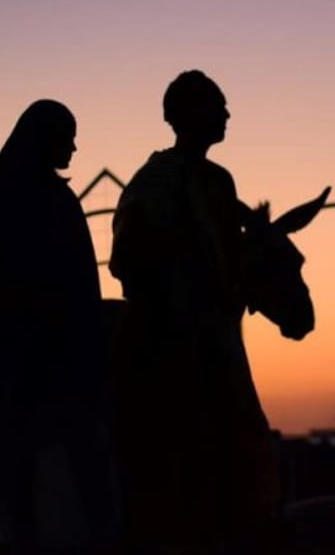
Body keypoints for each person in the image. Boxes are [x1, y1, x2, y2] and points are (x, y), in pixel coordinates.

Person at [109, 70, 277, 553]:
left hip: (215, 336)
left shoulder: (218, 181)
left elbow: (230, 257)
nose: (226, 115)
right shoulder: (155, 181)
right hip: (169, 339)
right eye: (217, 106)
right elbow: (132, 258)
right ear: (186, 115)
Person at [0, 100, 118, 554]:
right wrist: (31, 296)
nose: (75, 147)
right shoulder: (9, 199)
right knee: (23, 463)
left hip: (57, 350)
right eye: (68, 135)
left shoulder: (58, 200)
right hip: (21, 353)